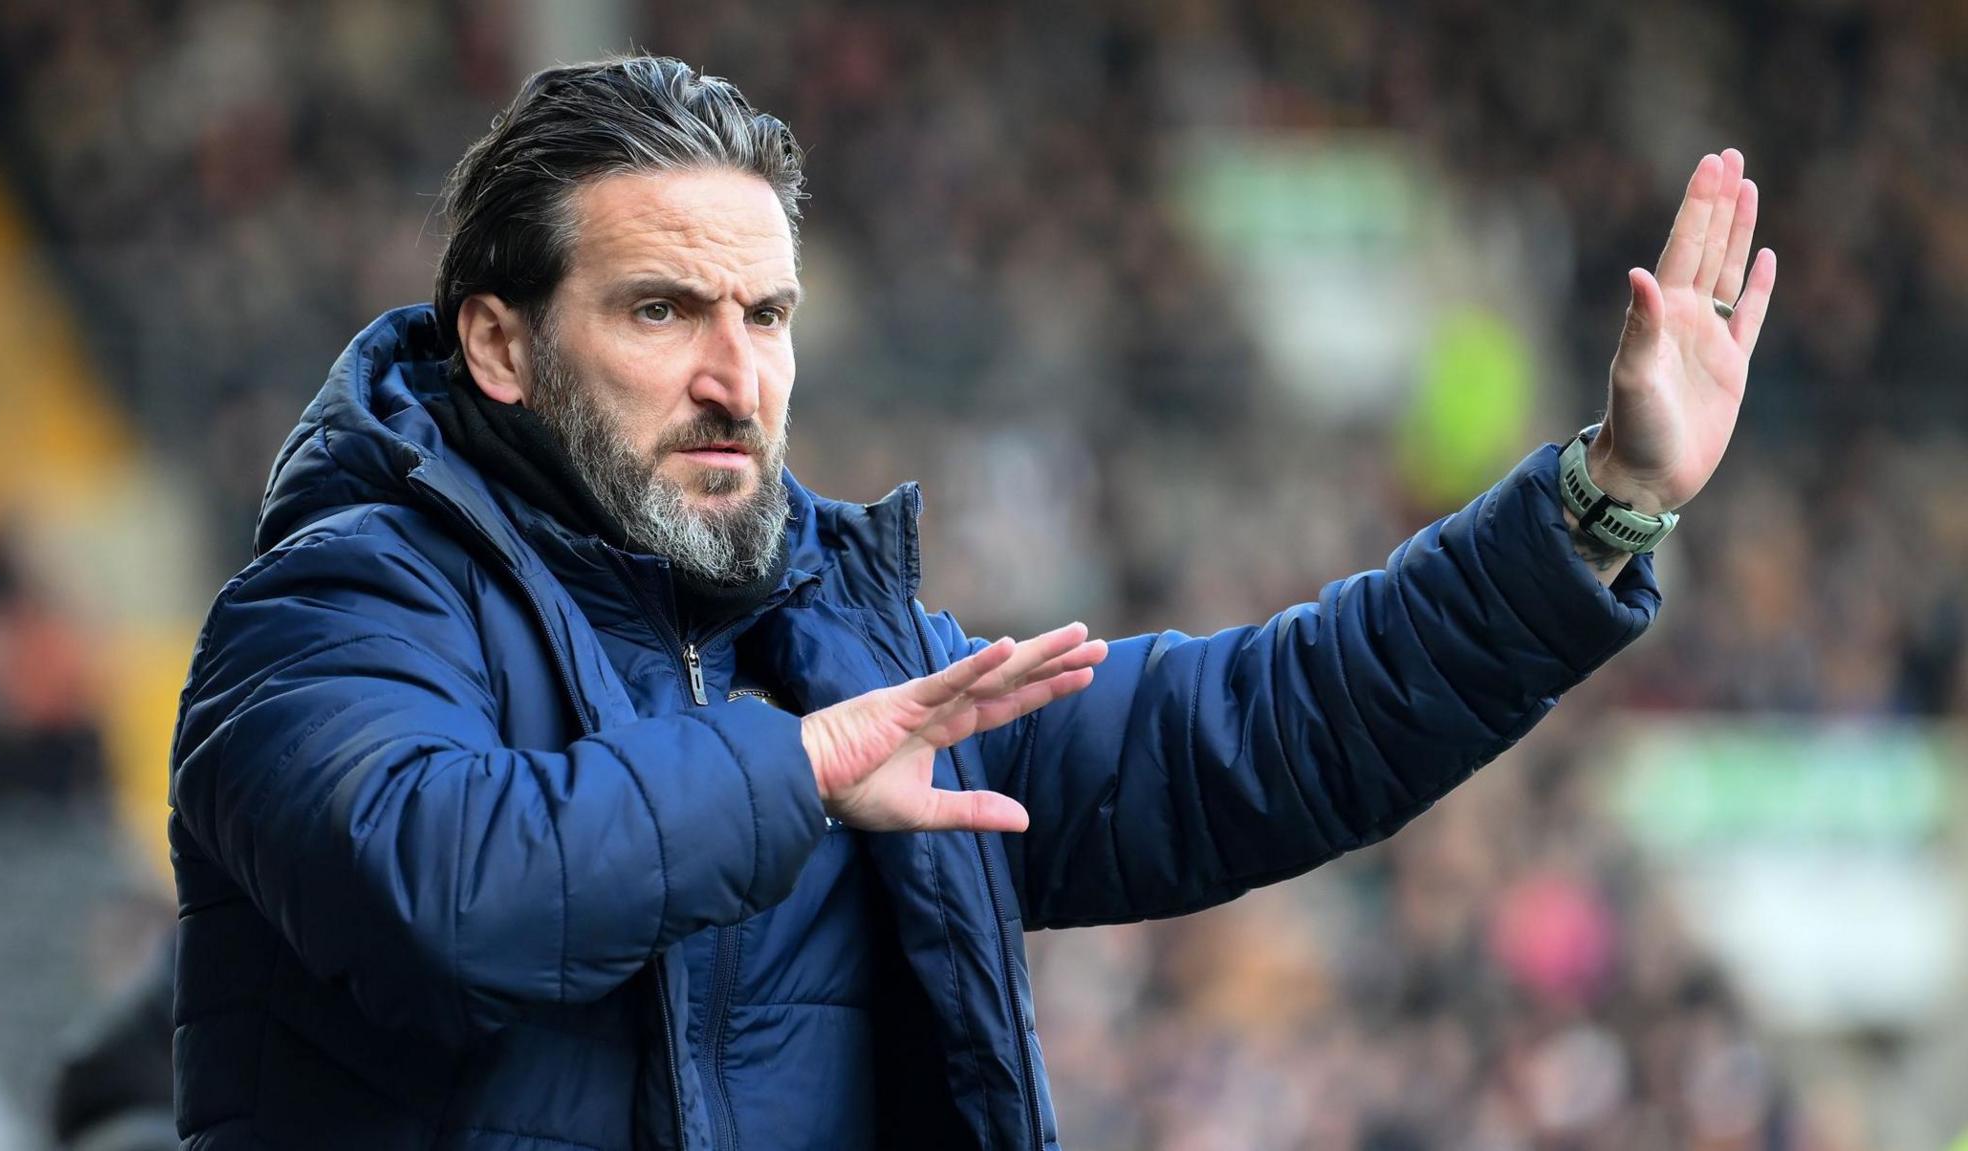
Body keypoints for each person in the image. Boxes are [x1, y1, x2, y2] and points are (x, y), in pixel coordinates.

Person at [165, 55, 1775, 1151]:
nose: (738, 379)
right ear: (500, 346)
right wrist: (798, 771)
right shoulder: (328, 611)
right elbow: (439, 890)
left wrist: (1599, 505)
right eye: (662, 311)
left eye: (769, 315)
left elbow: (1262, 732)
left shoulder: (848, 656)